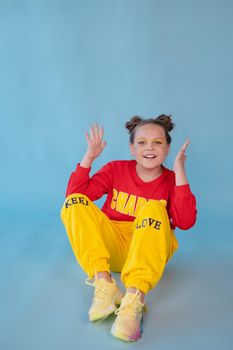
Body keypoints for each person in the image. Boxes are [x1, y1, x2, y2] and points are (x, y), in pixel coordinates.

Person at [60, 115, 197, 342]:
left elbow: (185, 221)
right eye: (141, 142)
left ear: (167, 148)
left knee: (154, 208)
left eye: (157, 142)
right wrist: (89, 157)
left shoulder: (172, 180)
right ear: (132, 149)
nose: (149, 148)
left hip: (146, 253)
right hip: (112, 246)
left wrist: (180, 171)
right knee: (73, 203)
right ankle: (105, 284)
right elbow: (75, 198)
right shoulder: (116, 169)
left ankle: (134, 299)